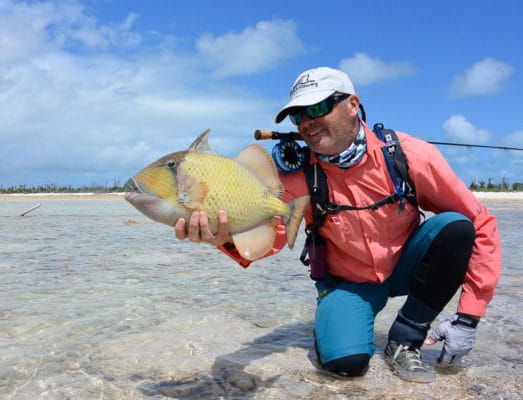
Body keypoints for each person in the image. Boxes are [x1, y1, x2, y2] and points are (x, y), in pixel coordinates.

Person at [174, 67, 501, 383]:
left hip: (407, 267)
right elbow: (268, 239)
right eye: (298, 116)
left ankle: (406, 337)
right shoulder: (297, 177)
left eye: (316, 107)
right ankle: (342, 322)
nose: (306, 123)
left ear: (352, 105)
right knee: (345, 367)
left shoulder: (410, 155)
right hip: (349, 283)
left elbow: (481, 223)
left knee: (457, 227)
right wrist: (223, 236)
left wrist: (468, 319)